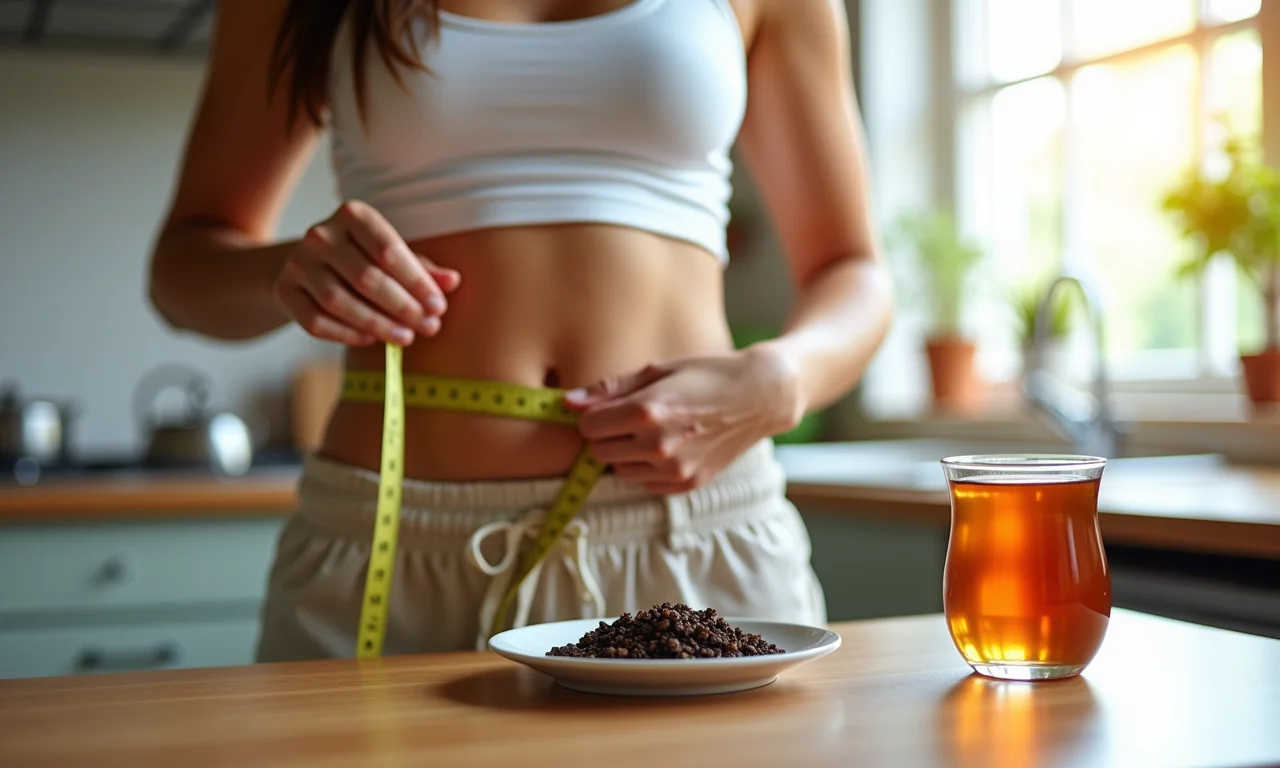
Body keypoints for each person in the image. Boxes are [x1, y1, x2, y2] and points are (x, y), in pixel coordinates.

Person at [148, 0, 893, 659]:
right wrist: (283, 271)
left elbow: (854, 270)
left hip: (697, 535)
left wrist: (787, 378)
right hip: (394, 537)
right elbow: (182, 270)